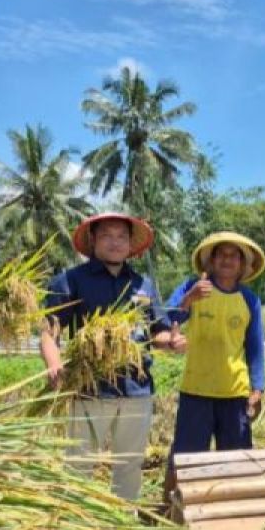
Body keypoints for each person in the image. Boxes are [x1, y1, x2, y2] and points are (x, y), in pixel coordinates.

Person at [40, 212, 185, 501]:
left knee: (129, 465)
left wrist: (172, 341)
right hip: (89, 389)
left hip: (136, 389)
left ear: (131, 244)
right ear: (93, 240)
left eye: (121, 237)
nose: (115, 242)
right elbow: (49, 331)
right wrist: (53, 363)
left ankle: (124, 519)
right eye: (106, 235)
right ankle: (75, 518)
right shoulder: (71, 280)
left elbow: (156, 333)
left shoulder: (143, 285)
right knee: (79, 463)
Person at [166, 231, 265, 456]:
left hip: (234, 393)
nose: (227, 260)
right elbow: (168, 317)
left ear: (242, 264)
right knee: (188, 458)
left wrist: (258, 387)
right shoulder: (194, 287)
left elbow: (255, 347)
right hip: (196, 390)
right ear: (211, 261)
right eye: (221, 254)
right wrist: (189, 299)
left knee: (235, 460)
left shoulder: (249, 299)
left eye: (234, 256)